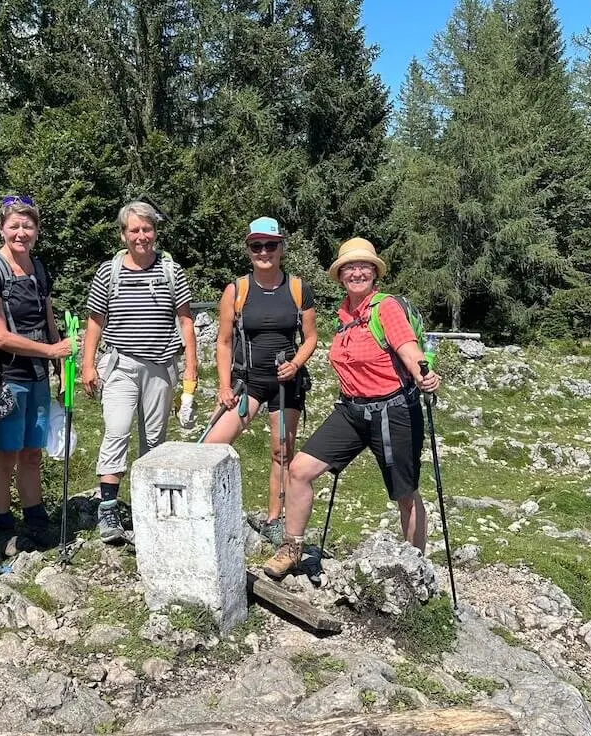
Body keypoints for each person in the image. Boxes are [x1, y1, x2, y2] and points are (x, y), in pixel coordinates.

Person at [264, 237, 441, 579]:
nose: (357, 273)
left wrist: (424, 375)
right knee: (299, 471)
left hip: (393, 411)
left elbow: (409, 349)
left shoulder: (385, 308)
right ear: (340, 275)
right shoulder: (344, 314)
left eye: (364, 267)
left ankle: (415, 568)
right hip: (351, 410)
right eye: (350, 268)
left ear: (375, 273)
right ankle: (291, 549)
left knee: (405, 494)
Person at [81, 199, 198, 545]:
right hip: (121, 364)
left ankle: (149, 507)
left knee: (155, 441)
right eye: (134, 230)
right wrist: (88, 364)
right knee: (116, 431)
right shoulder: (109, 272)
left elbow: (186, 321)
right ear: (123, 234)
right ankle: (108, 509)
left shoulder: (171, 271)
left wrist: (191, 370)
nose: (141, 236)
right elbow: (95, 320)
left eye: (147, 229)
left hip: (161, 365)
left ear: (155, 232)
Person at [205, 217, 317, 545]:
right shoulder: (236, 290)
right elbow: (224, 341)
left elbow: (311, 337)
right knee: (212, 445)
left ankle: (273, 520)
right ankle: (209, 512)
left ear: (281, 247)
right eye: (257, 246)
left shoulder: (298, 289)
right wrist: (223, 386)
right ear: (249, 250)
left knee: (282, 452)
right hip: (247, 381)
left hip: (286, 383)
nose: (264, 252)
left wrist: (295, 364)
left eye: (270, 245)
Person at [0, 196, 72, 554]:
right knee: (5, 455)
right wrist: (51, 353)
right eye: (14, 226)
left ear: (37, 230)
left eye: (28, 226)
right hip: (6, 375)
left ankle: (36, 521)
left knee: (32, 452)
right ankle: (3, 529)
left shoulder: (38, 268)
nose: (21, 233)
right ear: (1, 228)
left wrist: (60, 368)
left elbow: (49, 322)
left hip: (37, 375)